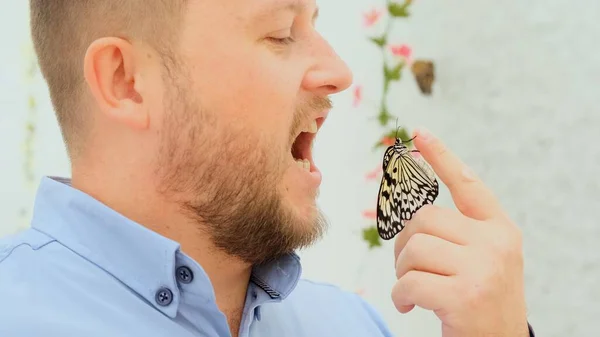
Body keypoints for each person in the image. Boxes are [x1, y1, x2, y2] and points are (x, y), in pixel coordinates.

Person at [0, 0, 534, 336]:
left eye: (316, 24)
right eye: (282, 33)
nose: (338, 72)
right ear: (125, 81)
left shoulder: (351, 326)